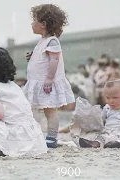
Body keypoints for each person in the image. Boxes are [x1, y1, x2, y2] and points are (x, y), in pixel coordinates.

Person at [24, 4, 75, 148]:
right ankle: (37, 134)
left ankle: (52, 138)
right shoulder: (43, 41)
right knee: (37, 109)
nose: (32, 24)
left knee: (50, 111)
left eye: (34, 20)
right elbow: (44, 57)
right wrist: (33, 56)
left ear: (43, 24)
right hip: (38, 81)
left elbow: (54, 60)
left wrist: (49, 79)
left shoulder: (52, 41)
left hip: (45, 83)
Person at [78, 79, 120, 149]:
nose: (111, 101)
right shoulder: (107, 108)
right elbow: (101, 119)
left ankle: (118, 144)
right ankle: (96, 143)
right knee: (102, 136)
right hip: (109, 132)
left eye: (115, 98)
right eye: (108, 98)